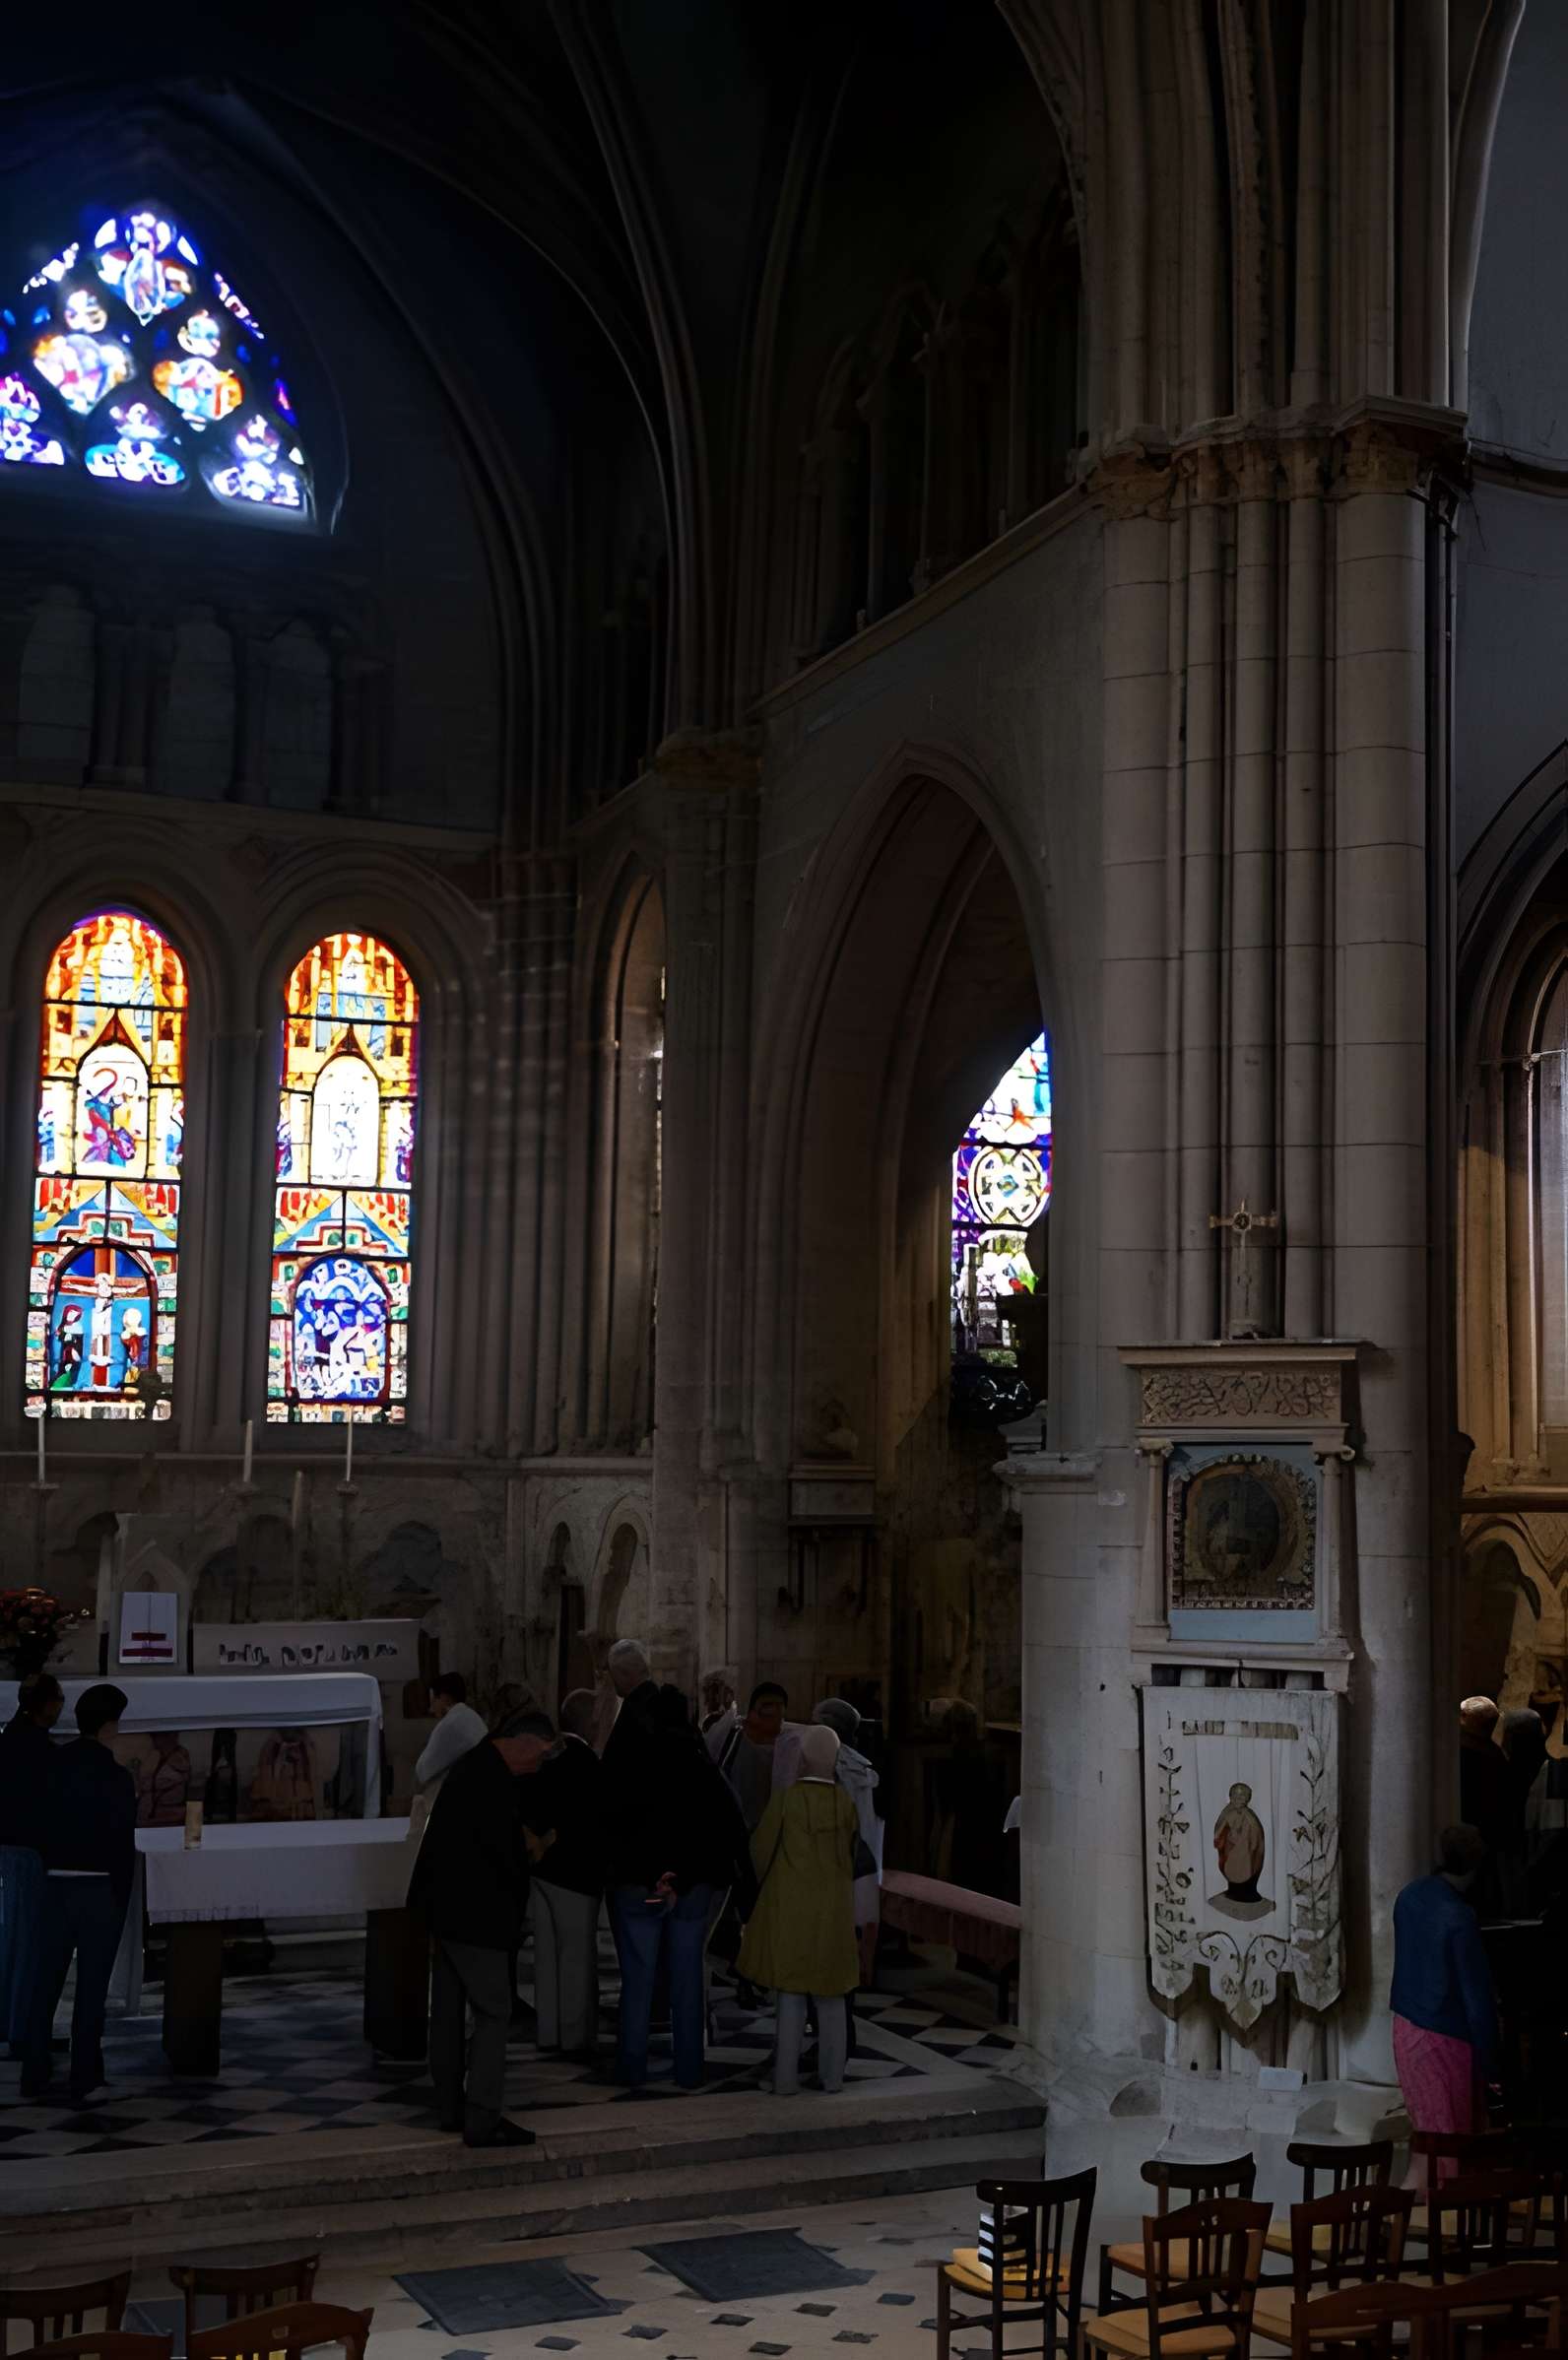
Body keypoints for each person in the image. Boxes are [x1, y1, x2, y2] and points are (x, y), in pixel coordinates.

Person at [605, 1683, 751, 2092]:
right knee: (687, 1978)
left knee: (638, 1979)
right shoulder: (700, 1764)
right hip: (691, 1887)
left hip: (641, 1887)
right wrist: (681, 1877)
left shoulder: (632, 1764)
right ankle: (689, 2068)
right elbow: (726, 1826)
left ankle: (632, 2067)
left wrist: (654, 1875)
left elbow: (617, 1828)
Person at [407, 1729, 548, 2147]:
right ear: (521, 1740)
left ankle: (450, 2107)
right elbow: (501, 1857)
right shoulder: (490, 1778)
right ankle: (483, 2118)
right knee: (494, 2011)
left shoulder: (474, 1769)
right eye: (539, 1754)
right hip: (475, 1917)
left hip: (446, 1911)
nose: (538, 1765)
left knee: (447, 2010)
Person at [21, 1682, 137, 2104]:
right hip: (98, 1887)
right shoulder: (116, 1777)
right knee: (91, 1989)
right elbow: (122, 1843)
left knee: (45, 1984)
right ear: (110, 1726)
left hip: (54, 1884)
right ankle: (85, 2075)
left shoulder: (53, 1765)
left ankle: (34, 2072)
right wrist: (120, 1895)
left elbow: (34, 1822)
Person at [738, 1722, 860, 2096]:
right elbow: (852, 1853)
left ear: (802, 1758)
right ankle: (833, 2078)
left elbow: (760, 1851)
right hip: (833, 1911)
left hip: (790, 1909)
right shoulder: (846, 1803)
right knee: (832, 1996)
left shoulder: (787, 1799)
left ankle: (785, 2080)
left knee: (790, 1998)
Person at [1390, 1824, 1499, 2166]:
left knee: (1426, 2139)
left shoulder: (1408, 1896)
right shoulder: (1459, 1916)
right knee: (1450, 2147)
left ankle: (1409, 2196)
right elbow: (1476, 2001)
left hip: (1405, 2028)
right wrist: (1492, 2067)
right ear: (1476, 1867)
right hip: (1445, 2037)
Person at [523, 1688, 607, 2062]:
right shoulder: (585, 1759)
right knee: (575, 1957)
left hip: (541, 1870)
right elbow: (591, 1818)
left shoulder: (546, 1754)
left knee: (546, 1956)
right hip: (575, 1872)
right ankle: (574, 2037)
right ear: (591, 1722)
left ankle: (548, 2032)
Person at [0, 1672, 64, 2058]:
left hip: (11, 1846)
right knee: (29, 1943)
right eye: (58, 1699)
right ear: (46, 1704)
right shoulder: (37, 1746)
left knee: (13, 1940)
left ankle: (12, 2023)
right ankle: (23, 2030)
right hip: (29, 1849)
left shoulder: (12, 1736)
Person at [415, 1672, 489, 1794]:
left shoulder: (451, 1723)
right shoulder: (471, 1715)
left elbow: (423, 1770)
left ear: (444, 1698)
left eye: (434, 1701)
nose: (431, 1709)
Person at [134, 1730, 192, 1827]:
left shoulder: (177, 1759)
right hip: (150, 1821)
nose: (152, 1740)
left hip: (163, 1821)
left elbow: (148, 1784)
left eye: (155, 1736)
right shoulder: (158, 1756)